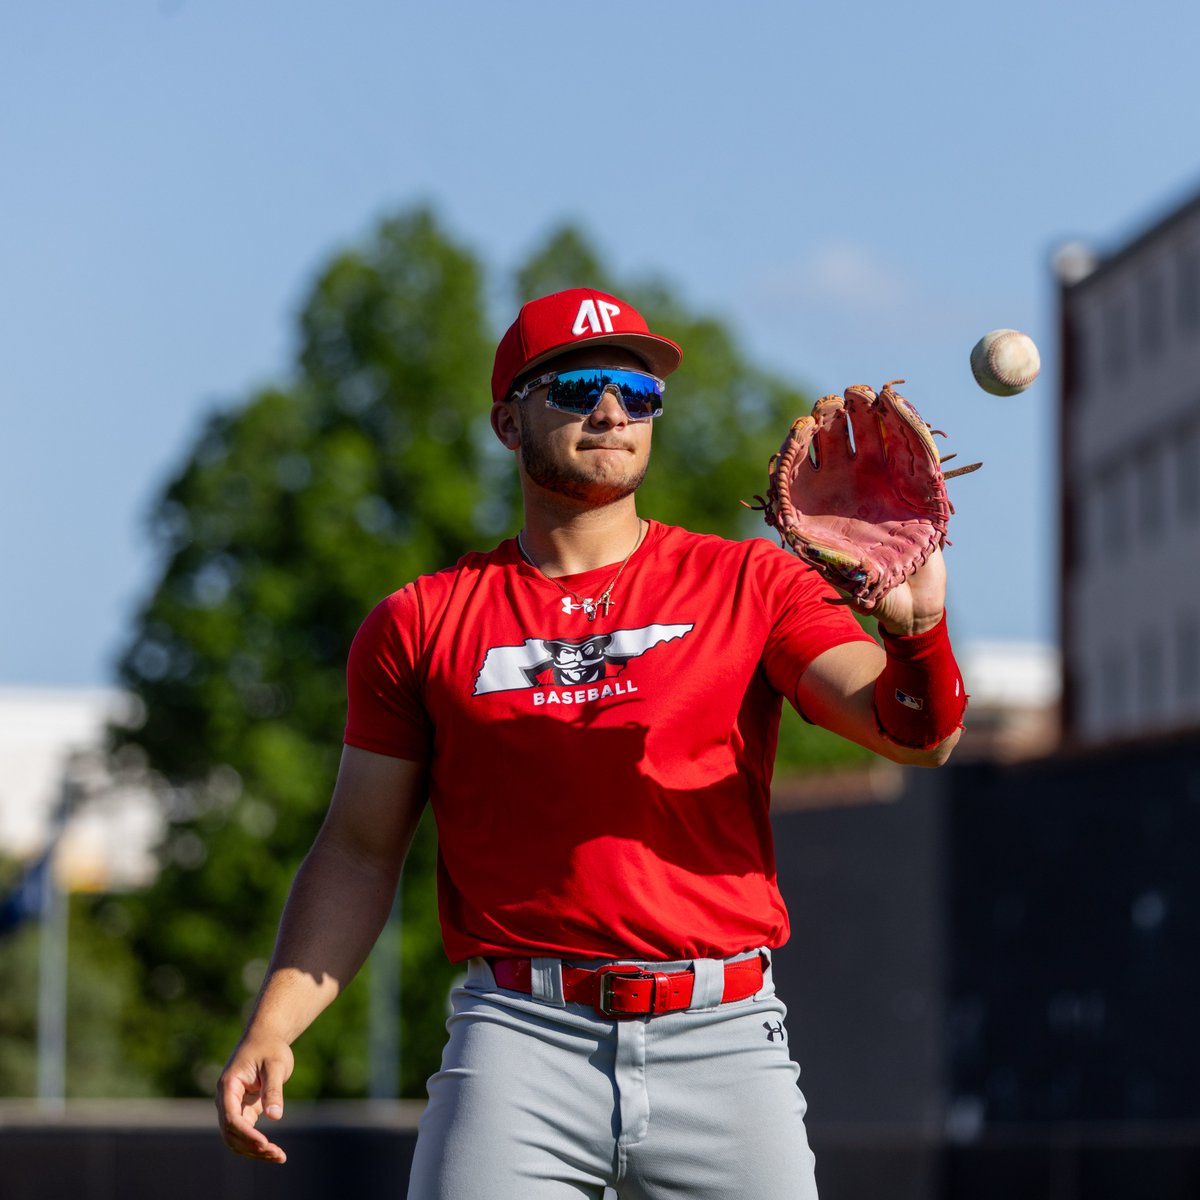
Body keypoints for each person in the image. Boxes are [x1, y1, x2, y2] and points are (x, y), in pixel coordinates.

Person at [216, 287, 965, 1198]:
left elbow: (911, 734)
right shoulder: (420, 621)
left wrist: (917, 634)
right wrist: (275, 1026)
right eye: (576, 389)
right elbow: (360, 849)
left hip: (722, 1034)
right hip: (520, 1038)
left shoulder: (748, 581)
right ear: (506, 423)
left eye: (637, 392)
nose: (612, 410)